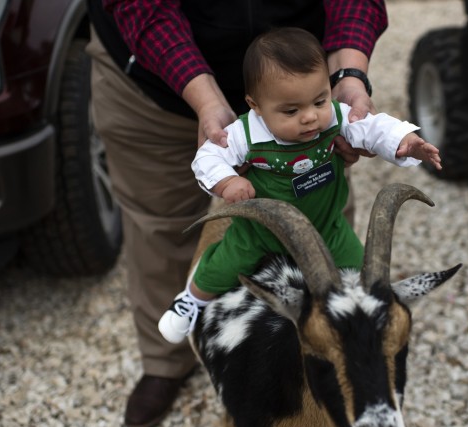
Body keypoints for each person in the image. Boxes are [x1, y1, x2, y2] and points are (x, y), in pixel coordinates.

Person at [87, 0, 394, 427]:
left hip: (301, 87)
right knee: (160, 223)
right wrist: (206, 99)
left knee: (315, 232)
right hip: (153, 80)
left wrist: (347, 74)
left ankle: (320, 359)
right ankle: (166, 360)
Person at [158, 27, 441, 343]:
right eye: (291, 110)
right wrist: (227, 181)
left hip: (326, 227)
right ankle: (191, 300)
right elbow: (207, 158)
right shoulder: (244, 133)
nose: (310, 118)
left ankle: (362, 321)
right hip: (261, 233)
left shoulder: (334, 116)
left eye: (319, 100)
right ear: (256, 105)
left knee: (362, 273)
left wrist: (404, 140)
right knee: (223, 265)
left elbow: (372, 127)